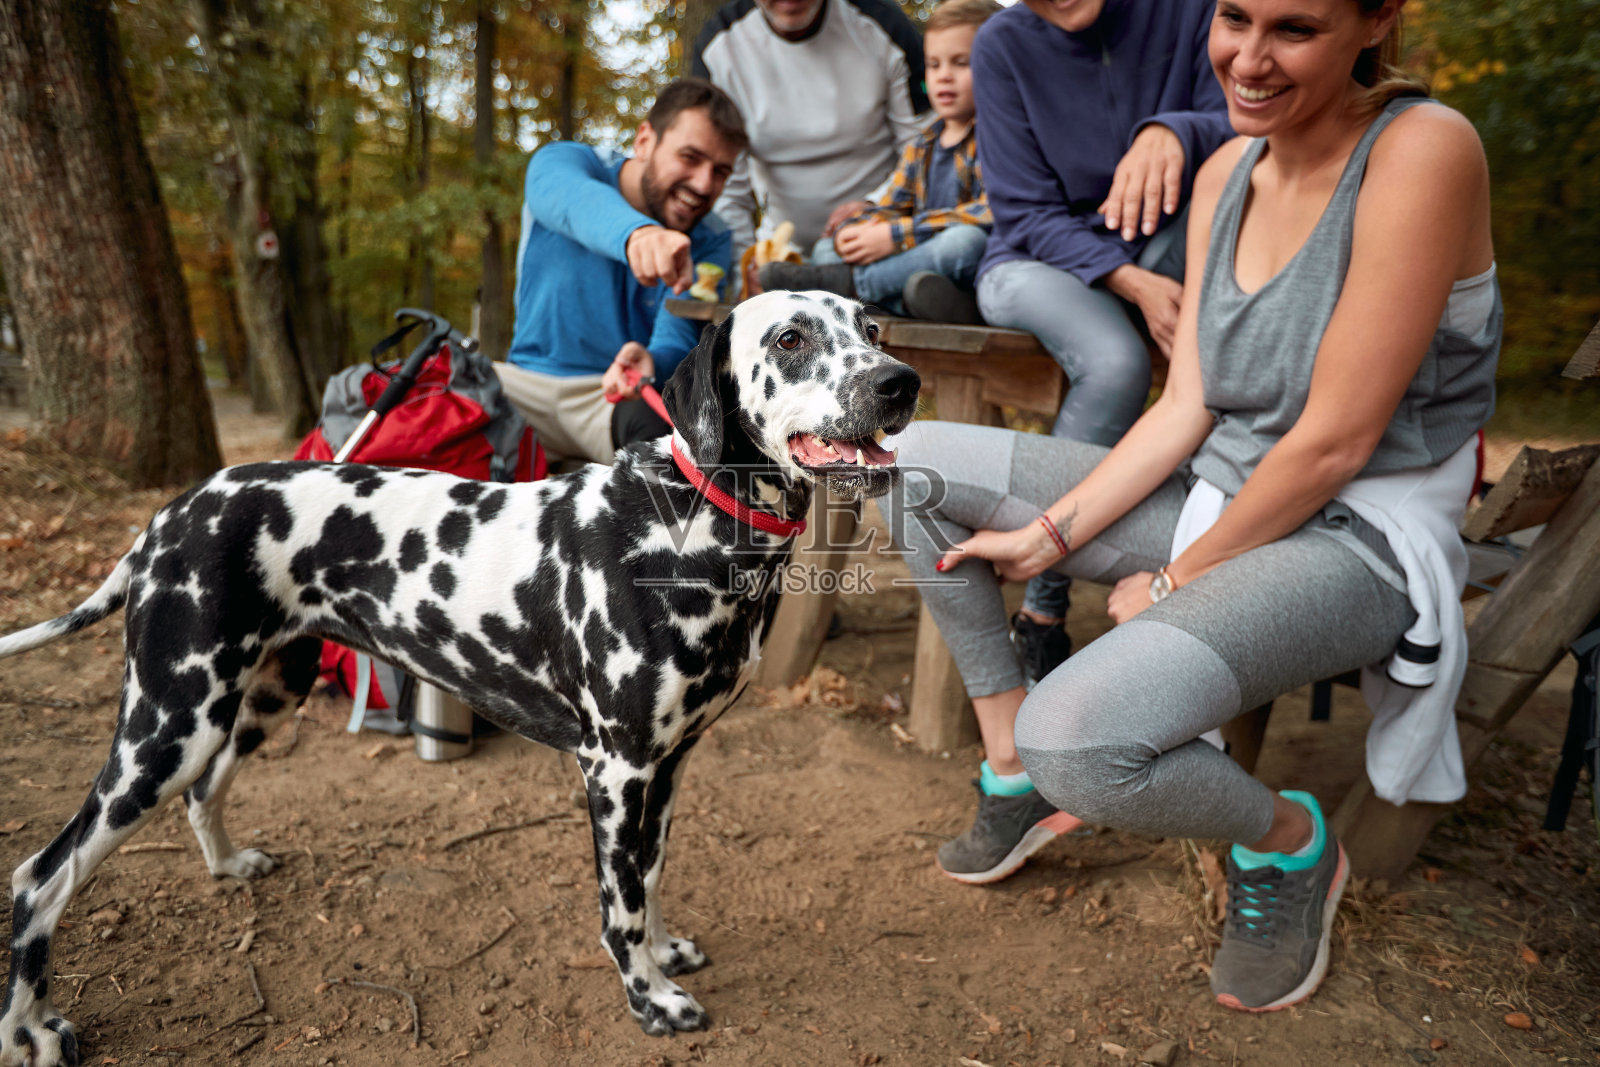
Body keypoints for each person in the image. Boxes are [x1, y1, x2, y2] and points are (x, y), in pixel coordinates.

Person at [884, 0, 1498, 1013]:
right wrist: (1048, 535)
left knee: (1078, 740)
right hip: (1220, 492)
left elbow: (1335, 444)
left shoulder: (1422, 149)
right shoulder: (1227, 173)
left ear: (1375, 20)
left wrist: (1174, 580)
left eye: (1294, 29)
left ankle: (1289, 842)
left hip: (1361, 531)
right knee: (908, 465)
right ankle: (1009, 768)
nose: (1248, 59)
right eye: (1233, 17)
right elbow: (1184, 406)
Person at [970, 0, 1233, 692]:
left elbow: (1251, 124)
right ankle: (1042, 612)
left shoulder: (1192, 12)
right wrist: (1133, 283)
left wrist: (1174, 130)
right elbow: (1024, 211)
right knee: (1116, 364)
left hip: (1166, 238)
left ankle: (1213, 572)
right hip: (1034, 262)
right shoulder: (1001, 45)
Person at [496, 79, 744, 465]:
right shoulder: (563, 162)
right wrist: (638, 236)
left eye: (720, 172)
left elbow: (677, 333)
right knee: (426, 389)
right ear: (644, 140)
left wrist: (652, 360)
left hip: (616, 399)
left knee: (673, 437)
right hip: (521, 386)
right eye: (690, 158)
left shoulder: (711, 238)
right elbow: (566, 197)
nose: (703, 184)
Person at [756, 0, 999, 323]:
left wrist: (896, 236)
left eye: (960, 63)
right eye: (934, 65)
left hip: (970, 266)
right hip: (919, 270)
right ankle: (912, 303)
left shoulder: (996, 134)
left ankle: (855, 289)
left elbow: (993, 211)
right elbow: (891, 206)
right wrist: (854, 230)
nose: (944, 77)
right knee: (827, 249)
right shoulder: (923, 144)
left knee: (965, 242)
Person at [691, 0, 928, 294]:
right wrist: (746, 272)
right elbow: (727, 190)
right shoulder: (720, 47)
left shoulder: (884, 26)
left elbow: (924, 149)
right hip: (783, 263)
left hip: (879, 248)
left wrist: (878, 205)